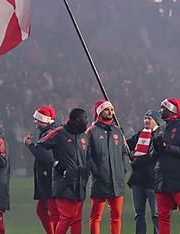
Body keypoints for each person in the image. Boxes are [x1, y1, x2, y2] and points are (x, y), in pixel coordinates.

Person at [32, 108, 90, 234]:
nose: (86, 122)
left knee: (76, 219)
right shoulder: (59, 133)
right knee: (67, 217)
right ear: (76, 120)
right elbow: (40, 147)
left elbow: (88, 156)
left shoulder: (83, 135)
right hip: (64, 182)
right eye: (84, 119)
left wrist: (87, 171)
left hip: (79, 183)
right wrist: (55, 163)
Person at [152, 97, 180, 234]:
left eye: (164, 108)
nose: (161, 110)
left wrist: (166, 147)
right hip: (162, 179)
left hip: (179, 179)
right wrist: (156, 149)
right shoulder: (160, 129)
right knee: (163, 216)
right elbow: (154, 154)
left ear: (172, 110)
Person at [87, 100, 129, 234]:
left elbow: (124, 152)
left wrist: (122, 169)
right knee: (96, 217)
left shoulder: (117, 130)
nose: (110, 112)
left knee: (116, 217)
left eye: (112, 110)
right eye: (107, 110)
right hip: (100, 181)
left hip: (117, 181)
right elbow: (87, 155)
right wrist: (96, 171)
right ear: (99, 112)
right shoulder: (92, 131)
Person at [25, 106, 60, 234]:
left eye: (37, 119)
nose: (34, 122)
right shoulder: (49, 132)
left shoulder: (50, 133)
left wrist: (30, 145)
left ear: (44, 120)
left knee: (53, 211)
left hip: (50, 178)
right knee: (42, 209)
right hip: (47, 177)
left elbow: (46, 156)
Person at [128, 110, 163, 234]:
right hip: (138, 181)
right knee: (139, 214)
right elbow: (127, 145)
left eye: (149, 118)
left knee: (156, 215)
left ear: (156, 121)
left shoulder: (160, 136)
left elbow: (153, 156)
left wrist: (136, 160)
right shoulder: (140, 134)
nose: (146, 121)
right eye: (145, 118)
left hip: (152, 181)